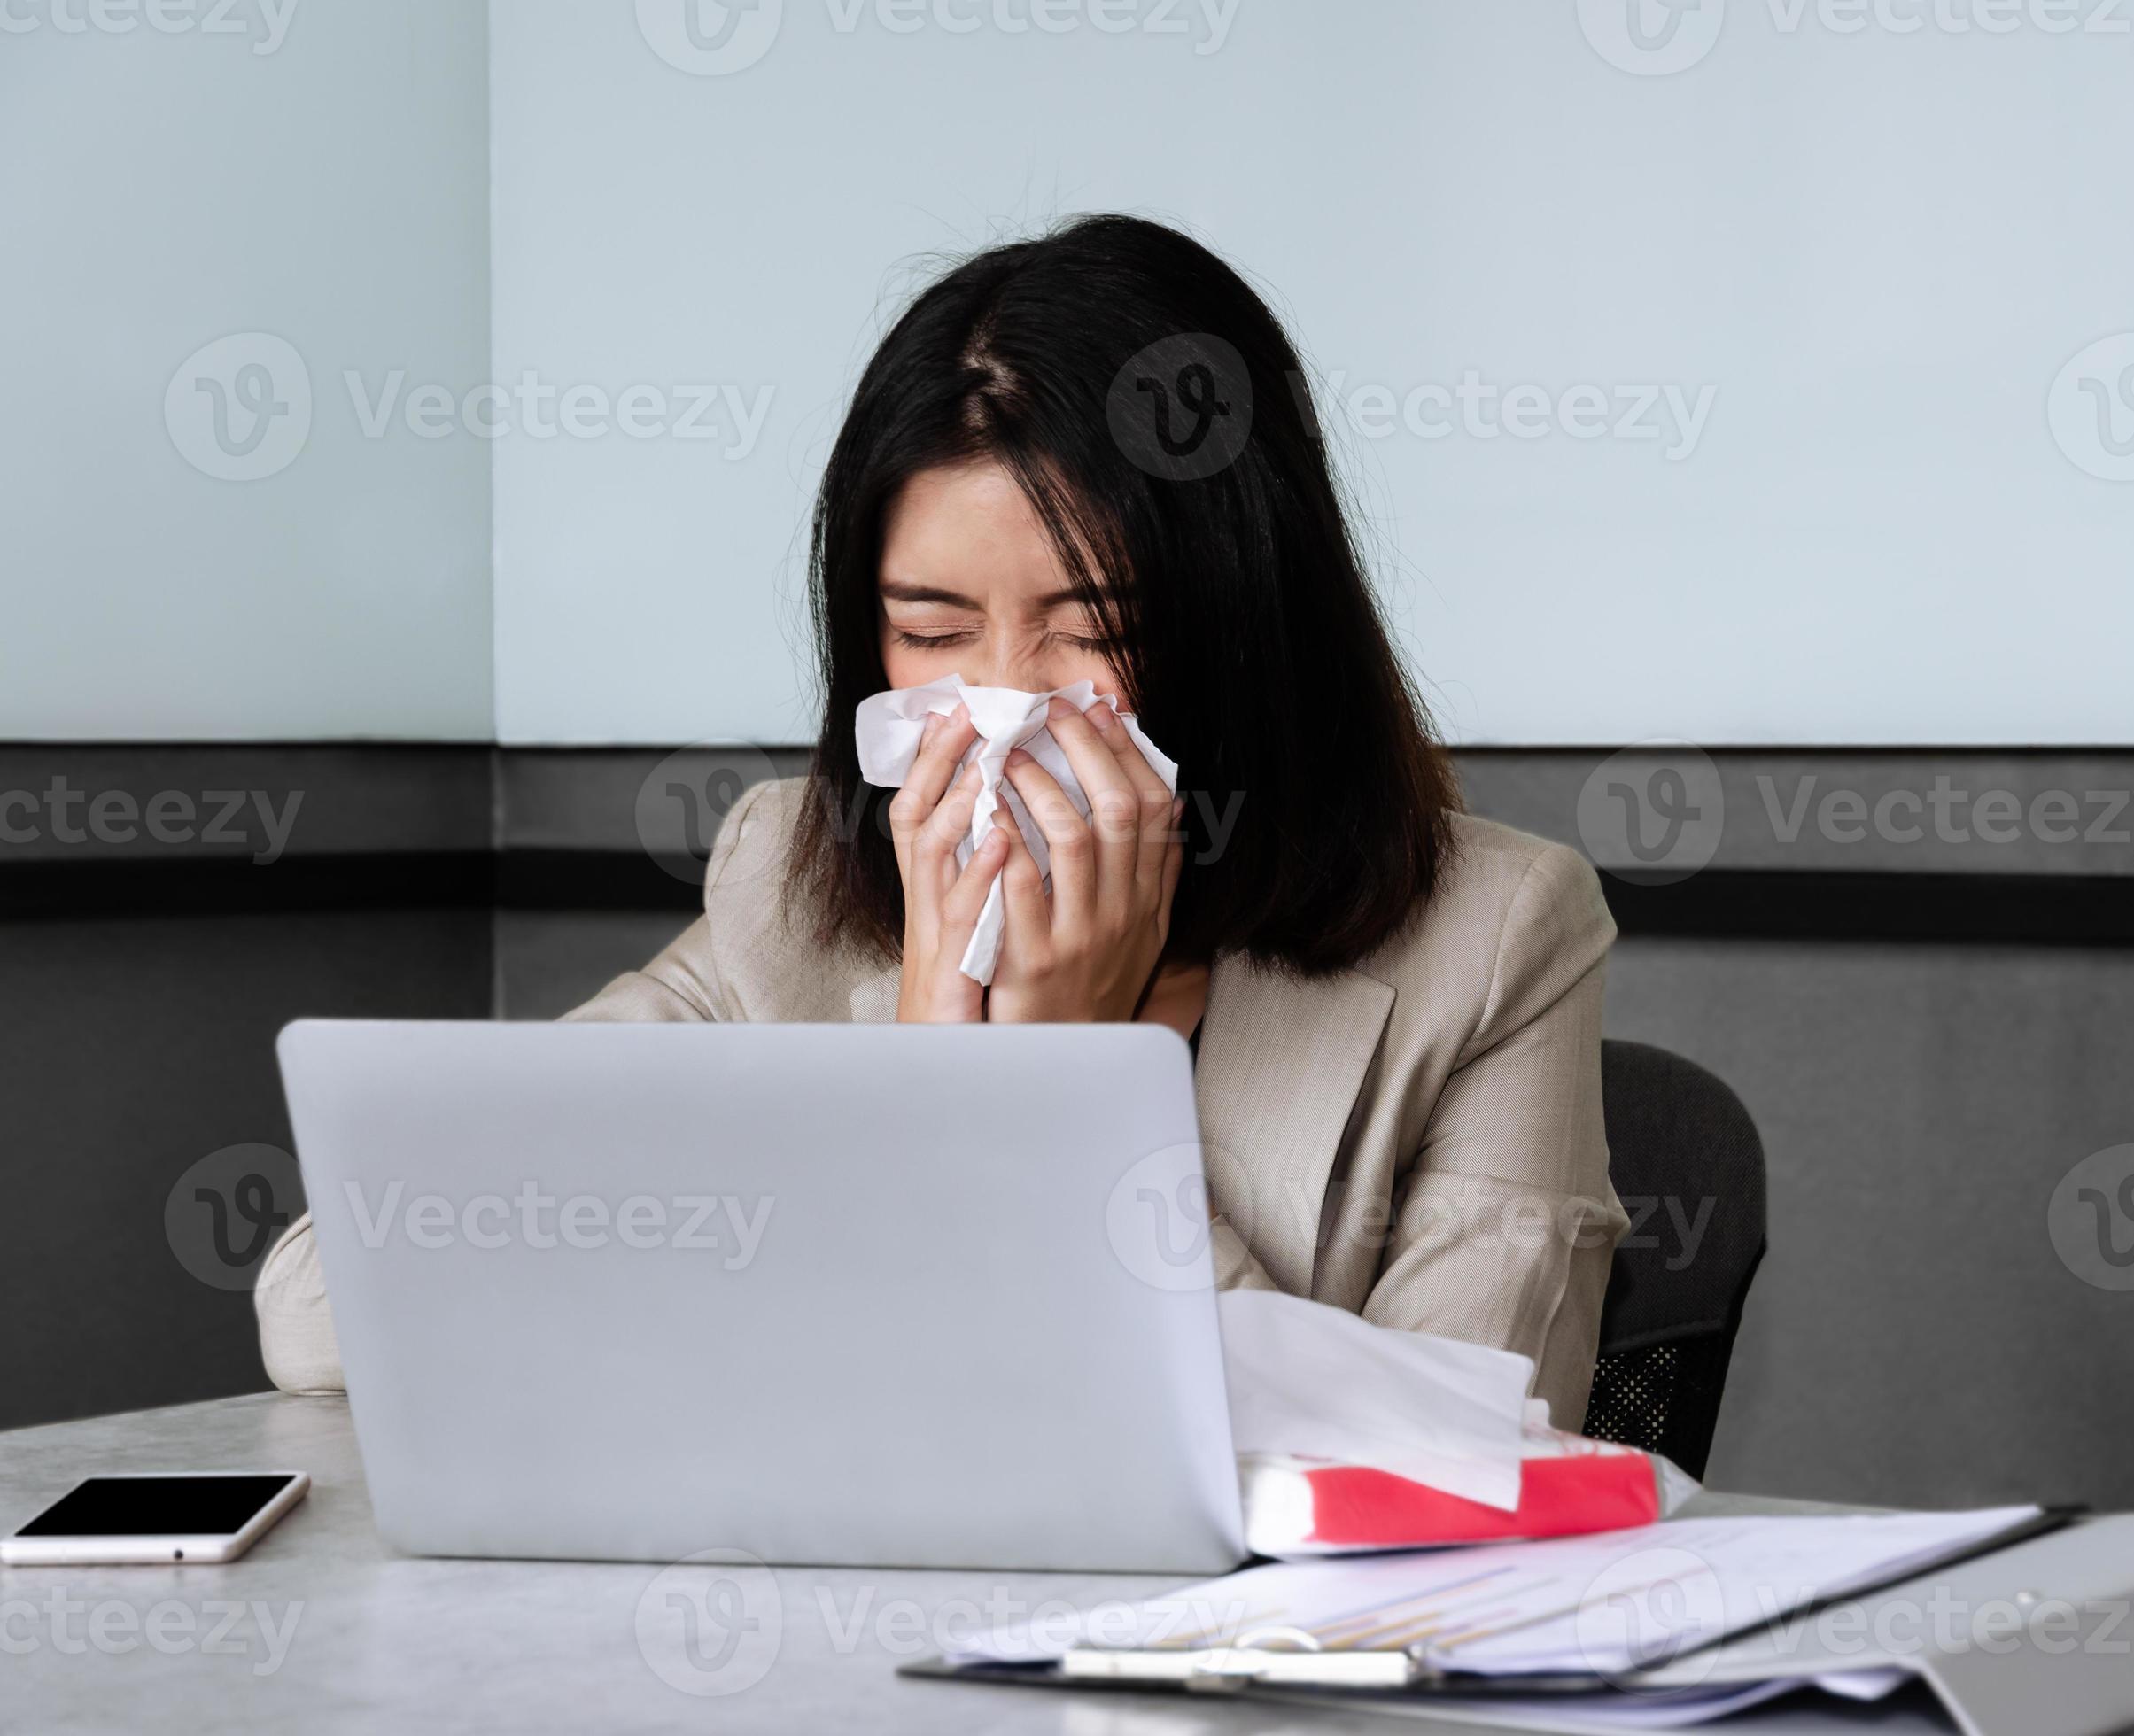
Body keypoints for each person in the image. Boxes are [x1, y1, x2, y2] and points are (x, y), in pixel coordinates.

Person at [256, 214, 1629, 1427]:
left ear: (1251, 624)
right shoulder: (785, 898)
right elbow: (325, 1301)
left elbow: (1464, 1455)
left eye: (1094, 632)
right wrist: (916, 1090)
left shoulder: (1497, 939)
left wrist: (1056, 1096)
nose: (1007, 703)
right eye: (933, 630)